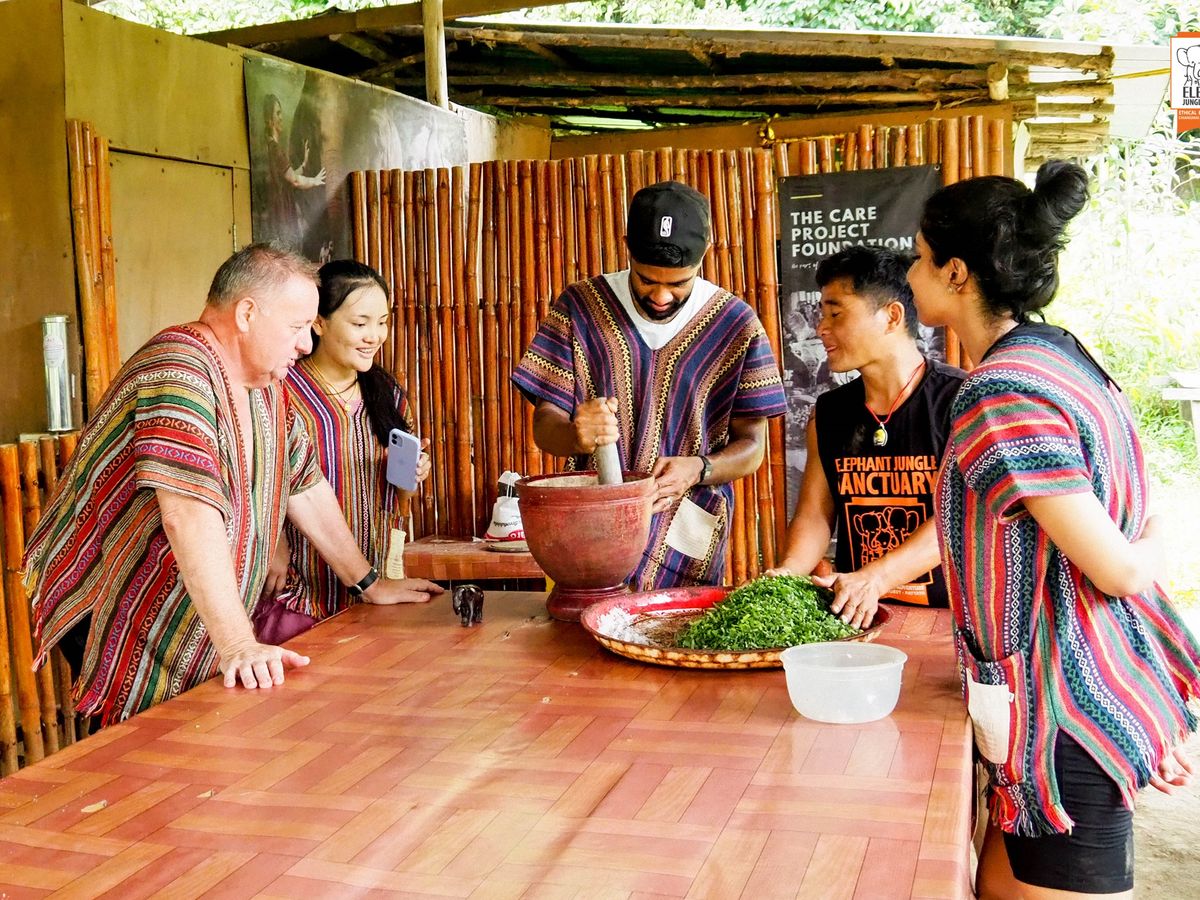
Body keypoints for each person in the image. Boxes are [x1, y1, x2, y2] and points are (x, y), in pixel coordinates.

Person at [908, 160, 1200, 899]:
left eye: (918, 258)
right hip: (1070, 692)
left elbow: (1119, 569)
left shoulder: (1000, 391)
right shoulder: (1061, 352)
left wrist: (1156, 541)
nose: (908, 276)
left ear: (956, 273)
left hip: (1063, 718)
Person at [24, 244, 442, 727]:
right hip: (117, 606)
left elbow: (305, 487)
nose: (305, 344)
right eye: (297, 327)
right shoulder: (180, 369)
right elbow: (186, 514)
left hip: (189, 609)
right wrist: (239, 643)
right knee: (149, 751)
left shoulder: (265, 385)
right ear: (246, 314)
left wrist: (368, 583)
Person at [512, 181, 788, 589]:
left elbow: (752, 447)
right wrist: (576, 435)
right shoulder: (580, 309)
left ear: (706, 253)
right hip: (593, 535)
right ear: (626, 247)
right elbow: (544, 427)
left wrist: (699, 468)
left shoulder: (735, 325)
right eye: (646, 280)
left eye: (678, 283)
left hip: (685, 538)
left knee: (678, 624)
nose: (661, 296)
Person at [768, 246, 964, 628]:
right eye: (821, 315)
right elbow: (814, 514)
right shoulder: (828, 413)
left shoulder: (959, 402)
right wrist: (788, 572)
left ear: (892, 316)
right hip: (859, 619)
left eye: (836, 314)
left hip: (951, 621)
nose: (821, 328)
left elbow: (958, 519)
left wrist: (875, 578)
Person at [259, 260, 432, 640]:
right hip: (299, 594)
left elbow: (399, 502)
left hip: (373, 588)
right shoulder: (281, 393)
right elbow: (256, 478)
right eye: (360, 323)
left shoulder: (388, 395)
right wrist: (273, 542)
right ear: (319, 323)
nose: (374, 336)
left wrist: (411, 475)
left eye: (382, 322)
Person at [262, 93, 326, 249]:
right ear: (270, 121)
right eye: (277, 113)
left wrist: (304, 164)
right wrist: (315, 181)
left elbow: (289, 176)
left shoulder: (271, 148)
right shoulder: (275, 150)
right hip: (282, 213)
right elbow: (295, 180)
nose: (281, 117)